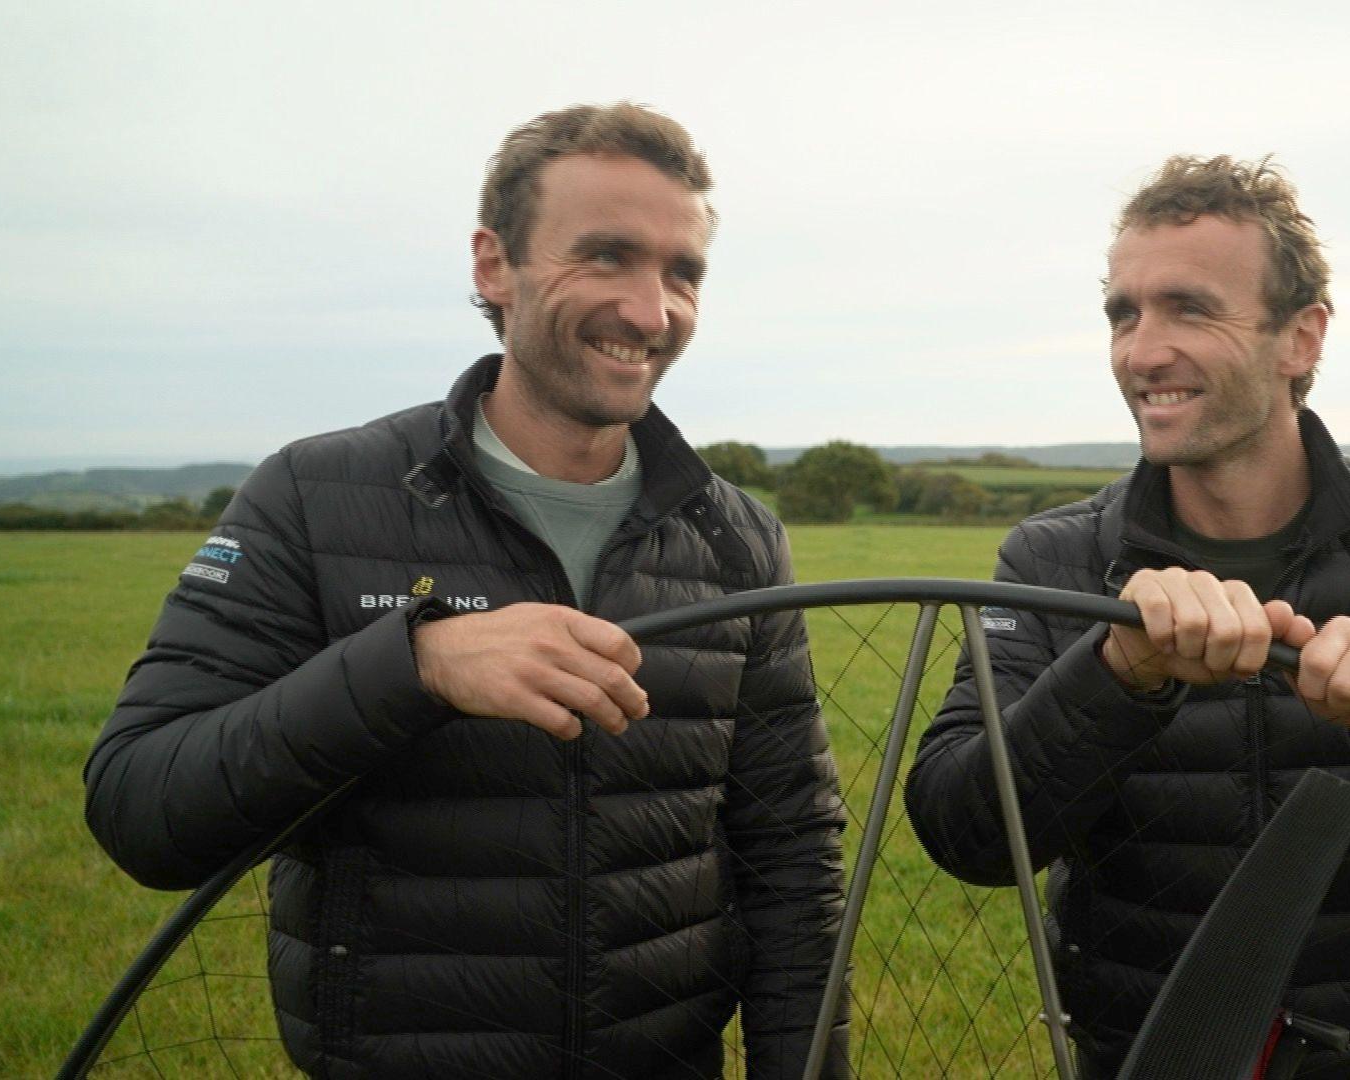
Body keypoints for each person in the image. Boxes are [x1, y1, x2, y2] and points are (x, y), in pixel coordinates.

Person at [85, 104, 847, 1080]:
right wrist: (418, 663)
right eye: (607, 256)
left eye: (682, 272)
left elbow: (790, 853)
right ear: (494, 265)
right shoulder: (315, 498)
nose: (653, 312)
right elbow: (143, 808)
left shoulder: (736, 538)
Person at [904, 156, 1350, 1078]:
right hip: (1139, 1055)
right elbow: (966, 834)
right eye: (1124, 312)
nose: (1141, 350)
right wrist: (1116, 674)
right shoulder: (1053, 559)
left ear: (1301, 338)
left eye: (1189, 308)